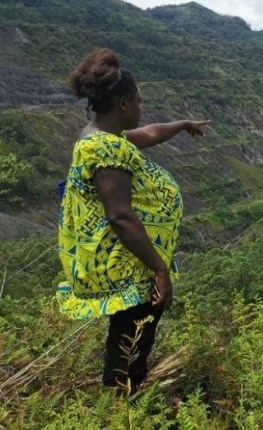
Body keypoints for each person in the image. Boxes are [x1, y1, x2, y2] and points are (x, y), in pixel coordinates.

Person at [57, 47, 209, 393]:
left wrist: (184, 125)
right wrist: (159, 269)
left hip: (130, 259)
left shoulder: (104, 137)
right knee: (132, 329)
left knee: (137, 327)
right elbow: (120, 216)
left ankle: (130, 390)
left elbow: (152, 133)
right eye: (139, 101)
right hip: (127, 262)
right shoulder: (106, 149)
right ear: (124, 103)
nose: (142, 108)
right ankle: (123, 397)